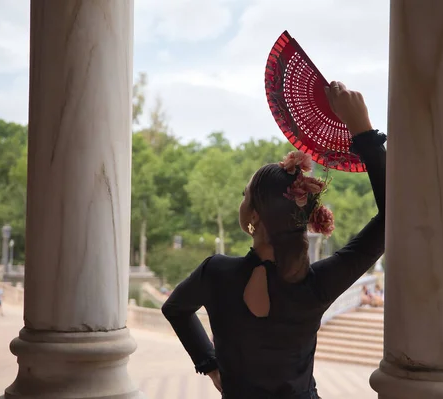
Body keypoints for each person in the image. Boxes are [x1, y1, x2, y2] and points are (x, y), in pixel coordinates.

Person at [162, 81, 385, 399]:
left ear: (253, 216)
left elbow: (176, 309)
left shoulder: (216, 273)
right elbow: (392, 218)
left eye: (245, 196)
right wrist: (362, 130)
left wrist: (209, 364)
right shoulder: (317, 284)